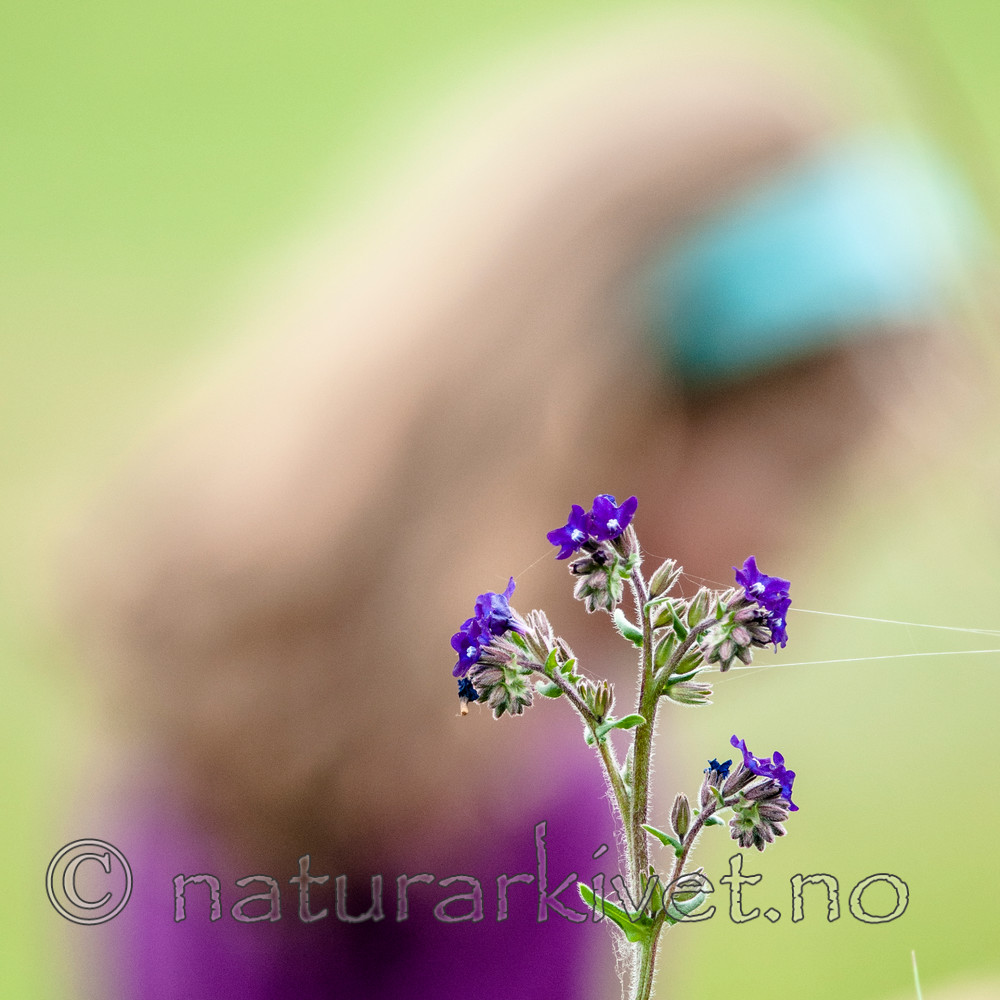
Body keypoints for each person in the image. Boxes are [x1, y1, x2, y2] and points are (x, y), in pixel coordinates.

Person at [63, 10, 979, 998]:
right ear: (621, 419)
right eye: (799, 484)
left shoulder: (254, 658)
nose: (791, 561)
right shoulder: (545, 777)